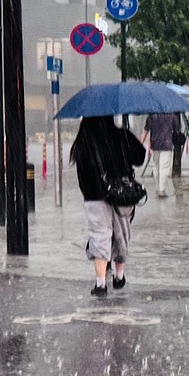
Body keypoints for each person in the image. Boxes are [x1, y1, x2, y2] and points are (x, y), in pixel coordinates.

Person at [70, 114, 146, 296]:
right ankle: (119, 277)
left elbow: (82, 175)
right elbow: (140, 157)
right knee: (122, 234)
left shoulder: (82, 143)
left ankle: (101, 284)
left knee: (99, 236)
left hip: (94, 197)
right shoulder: (121, 136)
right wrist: (126, 137)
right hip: (122, 195)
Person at [145, 111, 179, 198]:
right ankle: (162, 189)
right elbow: (177, 130)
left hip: (154, 144)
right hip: (167, 144)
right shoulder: (172, 115)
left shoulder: (152, 115)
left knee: (155, 166)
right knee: (164, 167)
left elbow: (146, 130)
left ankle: (158, 187)